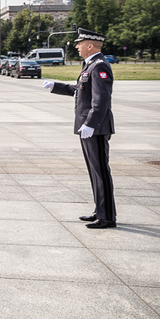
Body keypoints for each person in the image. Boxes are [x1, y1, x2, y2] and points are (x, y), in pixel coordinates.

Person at [43, 28, 116, 228]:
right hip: (88, 128)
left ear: (90, 45)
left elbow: (101, 100)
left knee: (101, 171)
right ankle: (99, 210)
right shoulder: (90, 66)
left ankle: (107, 217)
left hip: (96, 128)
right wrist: (56, 86)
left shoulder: (99, 66)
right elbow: (80, 90)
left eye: (80, 43)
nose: (77, 46)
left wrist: (91, 124)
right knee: (94, 172)